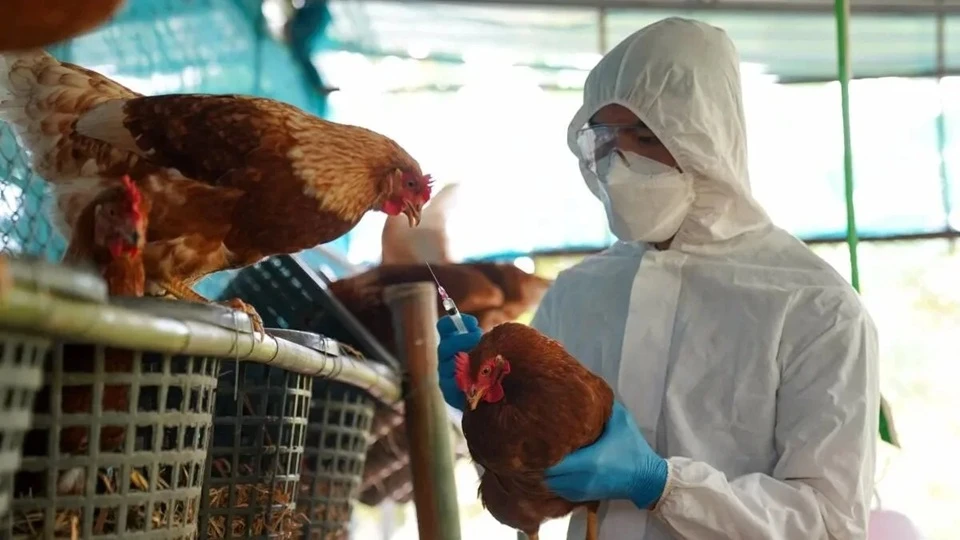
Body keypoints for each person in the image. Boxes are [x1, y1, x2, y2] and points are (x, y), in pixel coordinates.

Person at [436, 16, 879, 540]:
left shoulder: (814, 307)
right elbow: (526, 499)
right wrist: (486, 416)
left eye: (646, 136)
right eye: (605, 138)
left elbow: (830, 525)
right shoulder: (579, 294)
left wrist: (663, 485)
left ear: (707, 139)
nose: (620, 162)